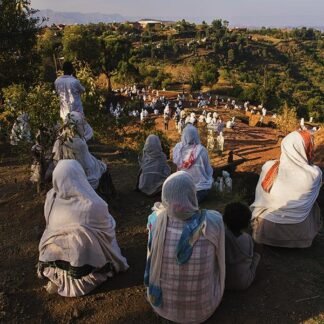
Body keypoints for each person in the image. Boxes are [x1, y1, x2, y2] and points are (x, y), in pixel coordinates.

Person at [38, 160, 129, 297]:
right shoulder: (94, 204)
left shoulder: (51, 197)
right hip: (83, 274)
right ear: (80, 176)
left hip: (51, 262)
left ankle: (61, 277)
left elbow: (48, 222)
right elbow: (108, 228)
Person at [144, 171, 225, 323]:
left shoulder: (155, 220)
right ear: (192, 193)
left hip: (164, 308)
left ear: (165, 195)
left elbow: (151, 254)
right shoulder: (213, 221)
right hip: (200, 311)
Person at [251, 130, 322, 248]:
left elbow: (260, 198)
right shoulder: (314, 174)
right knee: (312, 204)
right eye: (310, 147)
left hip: (265, 232)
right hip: (299, 237)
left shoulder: (268, 167)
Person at [52, 112, 114, 200]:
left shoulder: (59, 140)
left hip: (62, 177)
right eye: (82, 124)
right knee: (102, 168)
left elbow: (55, 161)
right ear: (77, 126)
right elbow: (88, 166)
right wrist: (103, 165)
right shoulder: (79, 143)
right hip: (81, 177)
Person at [223, 202, 261, 290]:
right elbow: (250, 256)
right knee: (258, 248)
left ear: (224, 219)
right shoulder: (247, 238)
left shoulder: (222, 235)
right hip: (243, 282)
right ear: (246, 223)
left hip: (223, 281)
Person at [173, 125, 213, 203]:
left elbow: (175, 165)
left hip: (181, 188)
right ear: (196, 135)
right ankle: (191, 201)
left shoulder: (178, 149)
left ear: (183, 135)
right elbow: (209, 171)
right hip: (200, 190)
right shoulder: (202, 150)